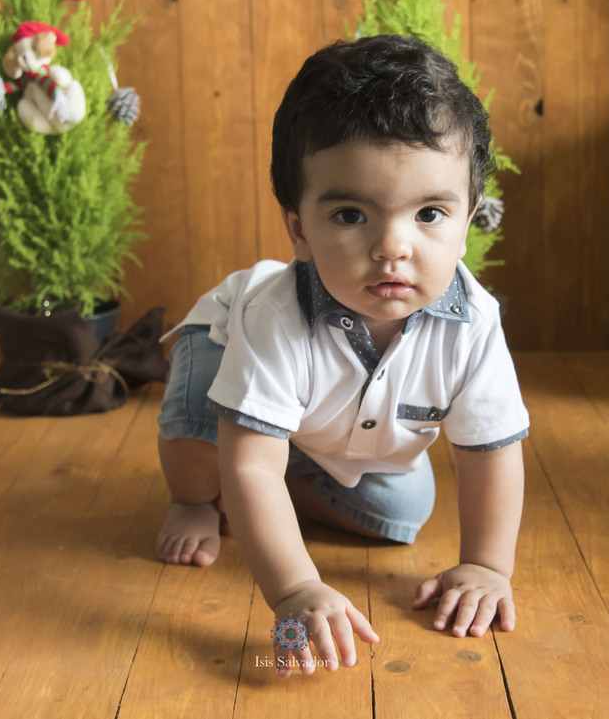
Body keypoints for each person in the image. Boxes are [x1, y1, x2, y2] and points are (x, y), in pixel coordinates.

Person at [155, 35, 529, 676]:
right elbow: (249, 465)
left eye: (429, 213)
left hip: (338, 427)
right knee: (204, 447)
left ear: (467, 222)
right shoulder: (274, 316)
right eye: (352, 215)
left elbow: (490, 452)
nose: (393, 247)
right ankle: (196, 499)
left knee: (401, 515)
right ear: (299, 227)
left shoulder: (473, 323)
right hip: (221, 347)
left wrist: (486, 565)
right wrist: (296, 587)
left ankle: (287, 477)